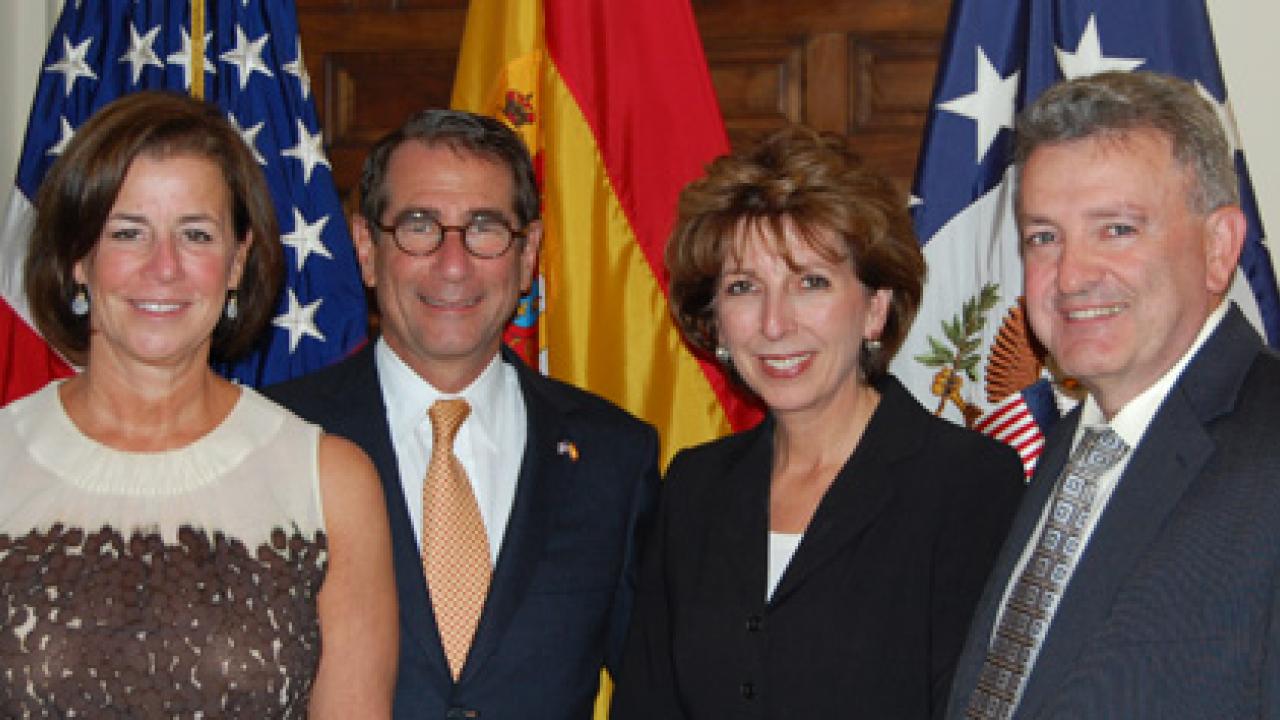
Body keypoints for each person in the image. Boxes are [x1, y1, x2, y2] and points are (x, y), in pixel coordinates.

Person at [0, 91, 396, 717]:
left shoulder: (331, 484)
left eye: (196, 234)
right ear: (79, 258)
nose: (164, 268)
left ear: (237, 261)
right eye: (128, 232)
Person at [610, 123, 1024, 718]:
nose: (775, 324)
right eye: (744, 287)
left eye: (811, 282)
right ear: (717, 322)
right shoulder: (694, 488)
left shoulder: (967, 483)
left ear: (874, 310)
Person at [264, 108, 660, 719]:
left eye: (485, 227)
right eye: (420, 226)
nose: (453, 265)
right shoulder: (277, 441)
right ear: (367, 250)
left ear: (527, 255)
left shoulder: (614, 457)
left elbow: (654, 694)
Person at [946, 71, 1280, 719]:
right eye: (1044, 237)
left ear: (1219, 249)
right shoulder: (1075, 445)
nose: (1071, 276)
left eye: (1117, 229)